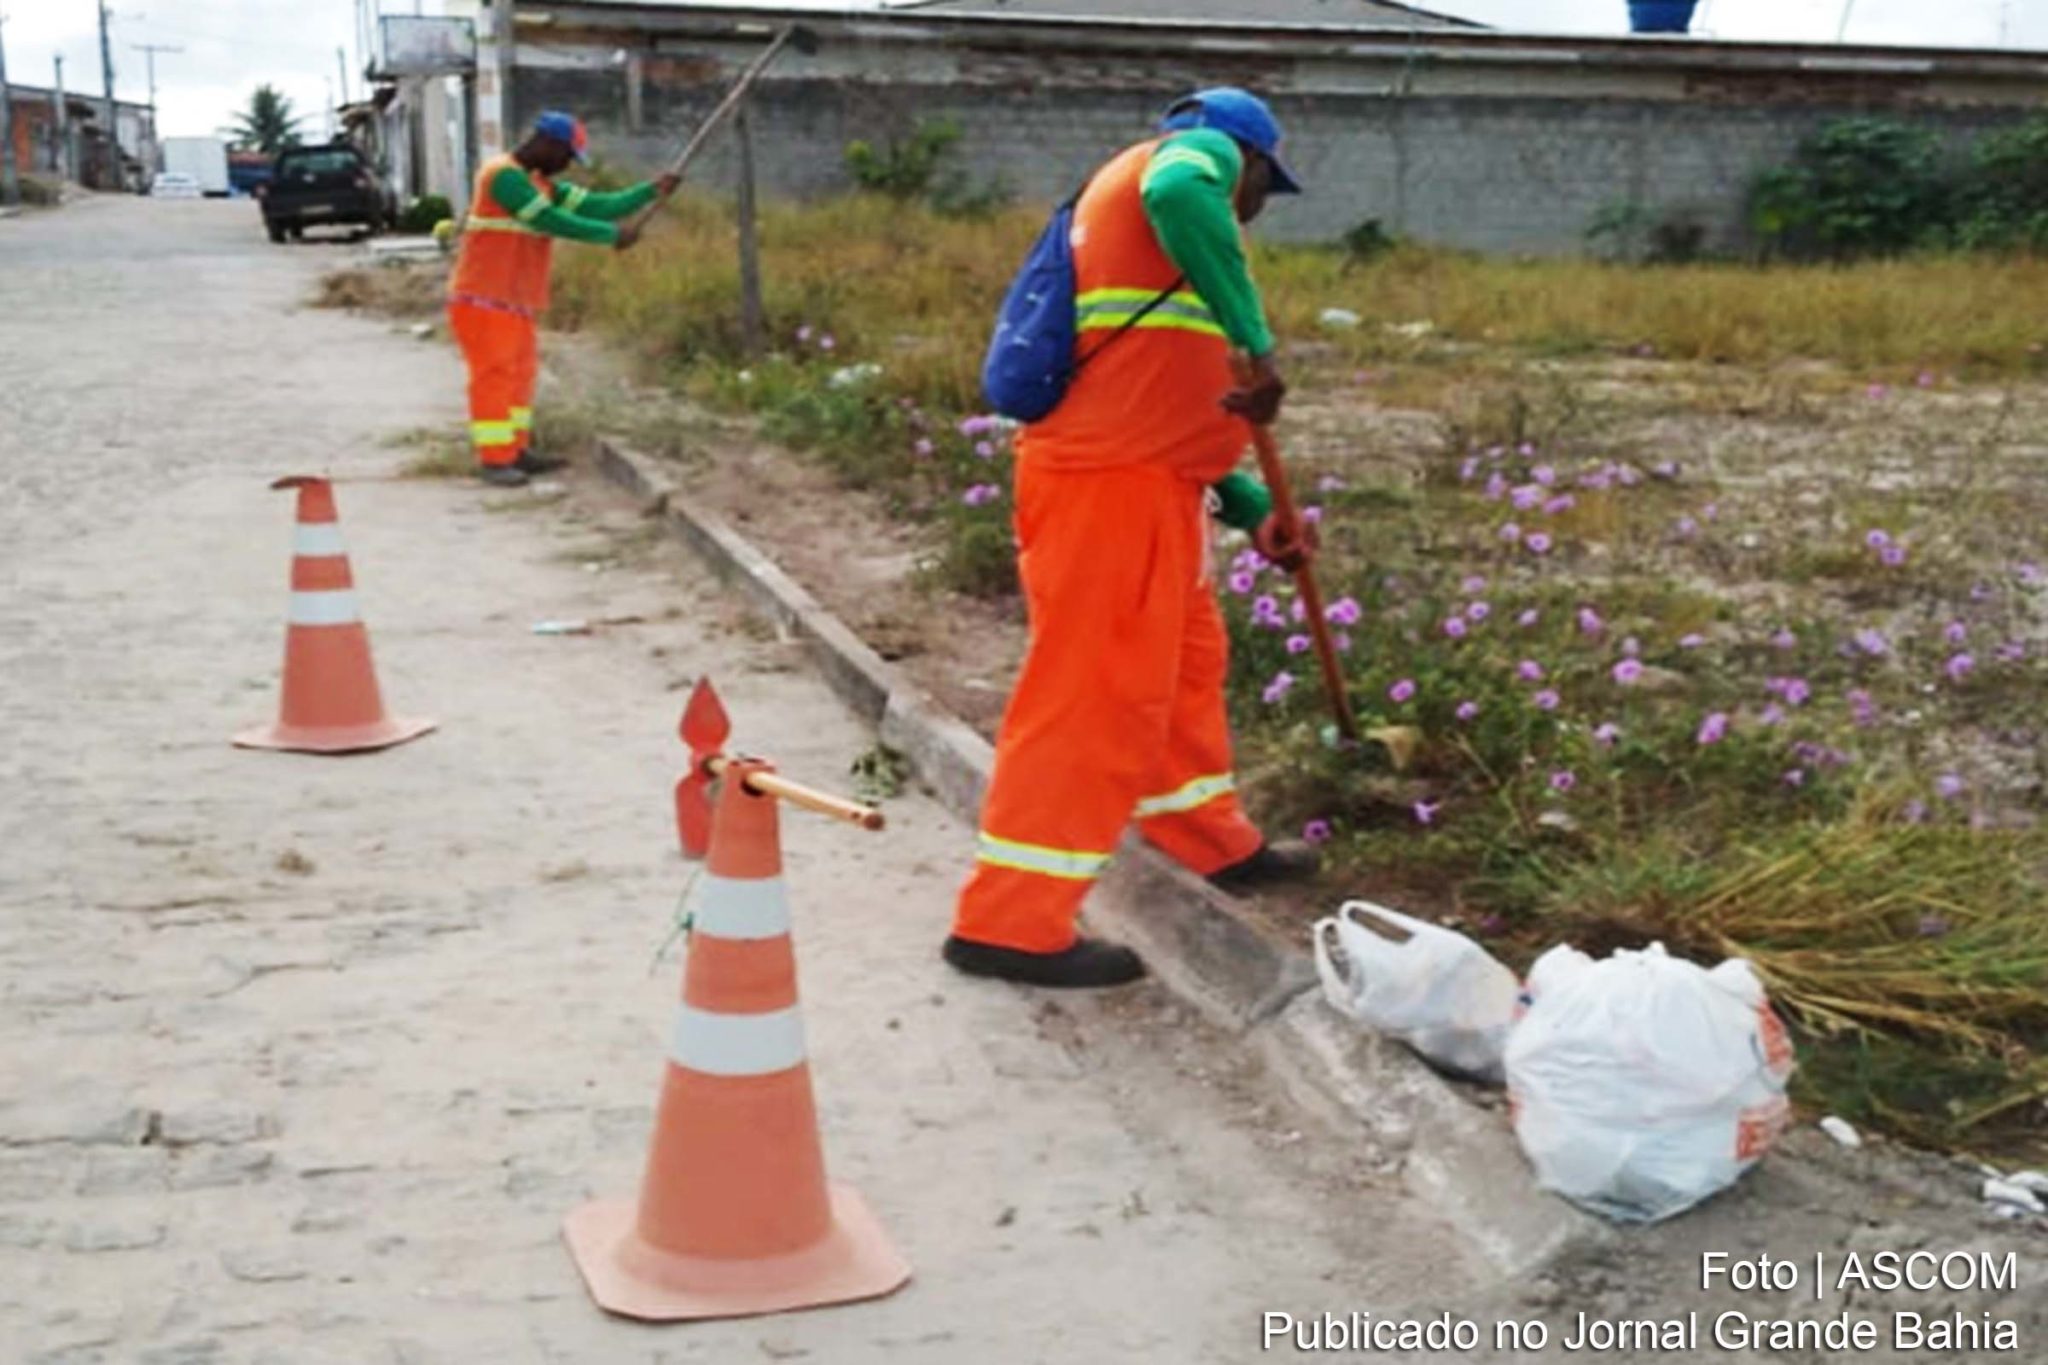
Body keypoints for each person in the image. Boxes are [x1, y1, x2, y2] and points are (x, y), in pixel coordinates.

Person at [944, 87, 1320, 990]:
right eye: (1266, 186)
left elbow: (1147, 397)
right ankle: (1008, 921)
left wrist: (1243, 501)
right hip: (1110, 494)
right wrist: (1256, 342)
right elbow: (1186, 193)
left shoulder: (1143, 231)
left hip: (1152, 486)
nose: (1257, 205)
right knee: (1092, 695)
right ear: (1253, 160)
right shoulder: (1192, 161)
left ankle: (1205, 835)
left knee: (1183, 668)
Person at [447, 111, 678, 488]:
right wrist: (610, 236)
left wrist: (650, 191)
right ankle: (494, 459)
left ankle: (515, 450)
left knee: (519, 377)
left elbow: (598, 205)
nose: (567, 165)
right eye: (567, 156)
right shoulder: (503, 176)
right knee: (495, 377)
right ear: (548, 145)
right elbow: (550, 221)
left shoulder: (539, 183)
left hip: (513, 301)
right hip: (484, 300)